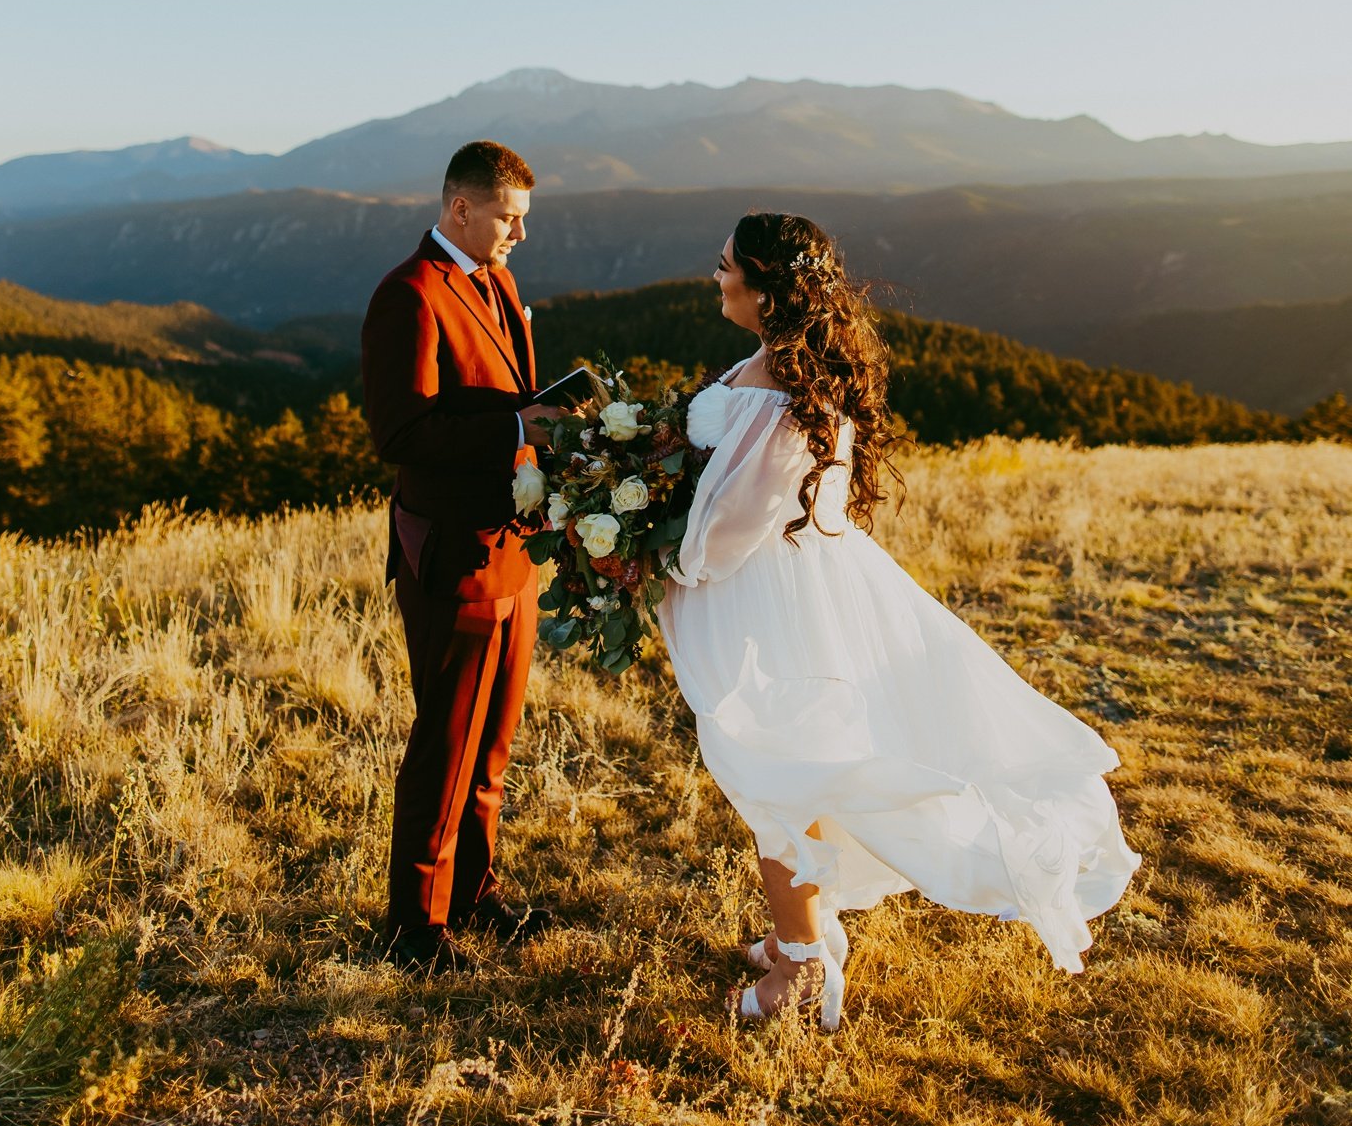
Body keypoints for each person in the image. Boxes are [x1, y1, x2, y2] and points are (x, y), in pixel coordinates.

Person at [659, 211, 1140, 1030]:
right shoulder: (777, 364)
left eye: (726, 263)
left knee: (775, 774)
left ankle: (803, 969)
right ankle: (796, 933)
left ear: (767, 288)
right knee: (783, 770)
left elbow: (735, 526)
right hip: (783, 579)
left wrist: (667, 560)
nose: (715, 274)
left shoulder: (780, 388)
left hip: (762, 592)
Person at [360, 139, 561, 971]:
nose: (518, 236)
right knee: (444, 745)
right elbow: (399, 432)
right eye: (508, 219)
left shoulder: (500, 282)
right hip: (449, 556)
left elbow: (510, 398)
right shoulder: (408, 296)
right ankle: (414, 927)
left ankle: (474, 897)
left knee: (492, 746)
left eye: (522, 220)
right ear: (459, 210)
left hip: (508, 549)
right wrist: (516, 429)